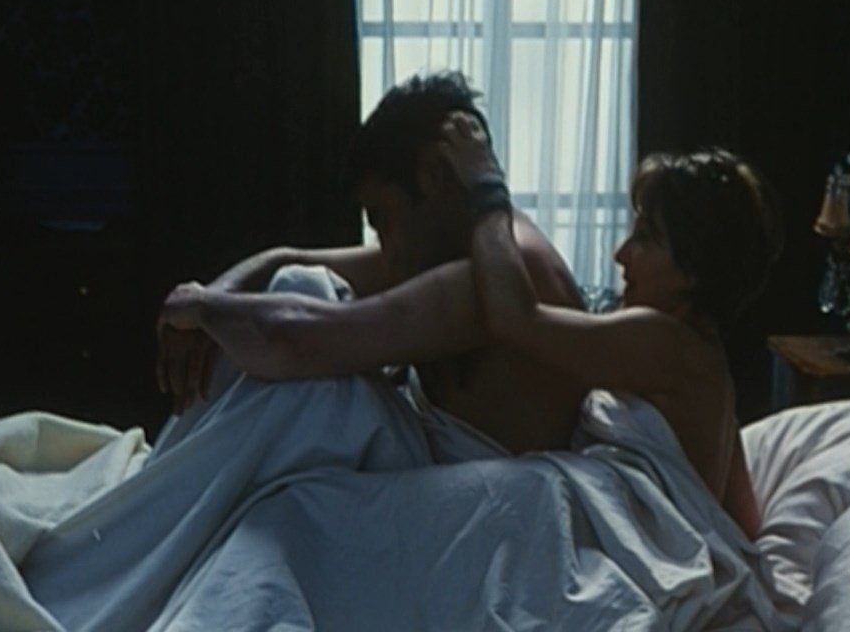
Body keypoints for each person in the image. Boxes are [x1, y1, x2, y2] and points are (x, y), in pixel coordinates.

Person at [157, 72, 589, 454]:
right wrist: (210, 298)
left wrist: (203, 308)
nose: (386, 246)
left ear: (433, 178)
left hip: (494, 488)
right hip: (438, 462)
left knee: (297, 351)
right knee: (297, 286)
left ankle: (166, 489)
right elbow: (286, 259)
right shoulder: (443, 250)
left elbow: (297, 340)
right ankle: (169, 480)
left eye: (382, 218)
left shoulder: (499, 273)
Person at [437, 111, 780, 538]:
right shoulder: (708, 363)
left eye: (645, 238)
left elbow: (513, 319)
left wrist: (486, 187)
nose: (621, 254)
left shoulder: (662, 341)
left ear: (691, 269)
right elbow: (745, 520)